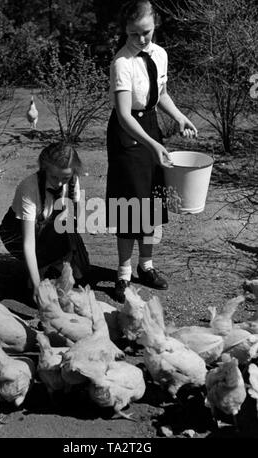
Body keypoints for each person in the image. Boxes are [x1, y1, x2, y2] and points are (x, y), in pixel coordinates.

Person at [106, 0, 198, 303]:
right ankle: (123, 273)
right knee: (130, 204)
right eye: (133, 34)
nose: (141, 39)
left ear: (155, 25)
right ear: (126, 32)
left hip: (152, 127)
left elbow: (162, 95)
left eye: (145, 32)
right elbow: (123, 115)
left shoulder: (160, 54)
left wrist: (179, 116)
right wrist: (154, 144)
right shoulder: (122, 63)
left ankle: (146, 266)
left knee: (152, 200)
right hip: (127, 133)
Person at [0, 141, 90, 304]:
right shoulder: (29, 187)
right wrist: (35, 284)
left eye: (66, 177)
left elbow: (71, 223)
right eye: (54, 177)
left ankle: (52, 265)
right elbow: (28, 242)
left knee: (81, 270)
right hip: (18, 232)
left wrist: (68, 260)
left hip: (50, 228)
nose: (60, 183)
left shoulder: (73, 182)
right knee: (34, 287)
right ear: (45, 168)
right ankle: (38, 271)